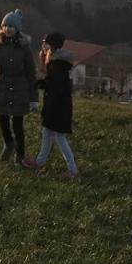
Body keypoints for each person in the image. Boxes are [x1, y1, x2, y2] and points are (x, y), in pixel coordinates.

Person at [0, 9, 37, 165]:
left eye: (11, 26)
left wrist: (33, 99)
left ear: (17, 29)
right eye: (5, 26)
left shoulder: (25, 48)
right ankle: (8, 143)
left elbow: (31, 73)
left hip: (19, 88)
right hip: (2, 86)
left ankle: (20, 155)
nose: (7, 29)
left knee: (18, 124)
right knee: (3, 120)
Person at [26, 32, 79, 178]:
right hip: (55, 104)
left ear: (53, 45)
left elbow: (55, 85)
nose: (44, 45)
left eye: (46, 43)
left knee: (59, 137)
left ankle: (72, 169)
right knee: (46, 133)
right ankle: (40, 161)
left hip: (58, 106)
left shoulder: (57, 64)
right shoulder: (56, 62)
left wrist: (41, 83)